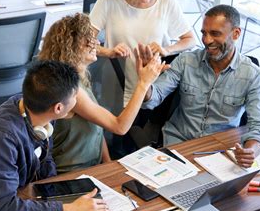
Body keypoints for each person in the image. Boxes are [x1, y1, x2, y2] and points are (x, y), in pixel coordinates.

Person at [0, 60, 111, 211]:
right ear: (59, 108)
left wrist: (55, 194)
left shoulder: (38, 110)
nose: (77, 100)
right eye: (75, 96)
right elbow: (4, 207)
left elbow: (45, 158)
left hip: (17, 191)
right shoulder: (2, 138)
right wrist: (68, 210)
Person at [138, 4, 260, 168]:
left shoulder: (252, 75)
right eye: (204, 33)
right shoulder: (186, 61)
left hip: (219, 153)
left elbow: (259, 126)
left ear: (235, 33)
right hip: (177, 145)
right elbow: (154, 97)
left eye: (215, 34)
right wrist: (145, 82)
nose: (207, 40)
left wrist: (250, 152)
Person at [38, 13, 166, 173]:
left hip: (93, 165)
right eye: (88, 41)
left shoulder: (79, 76)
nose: (97, 43)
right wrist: (143, 83)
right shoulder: (70, 88)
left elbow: (98, 126)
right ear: (70, 46)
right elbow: (119, 127)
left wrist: (107, 162)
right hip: (72, 173)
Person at [89, 0, 195, 107]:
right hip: (117, 85)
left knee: (147, 130)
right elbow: (84, 43)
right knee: (116, 129)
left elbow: (190, 40)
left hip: (154, 89)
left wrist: (167, 50)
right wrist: (109, 52)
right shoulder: (109, 0)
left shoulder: (166, 1)